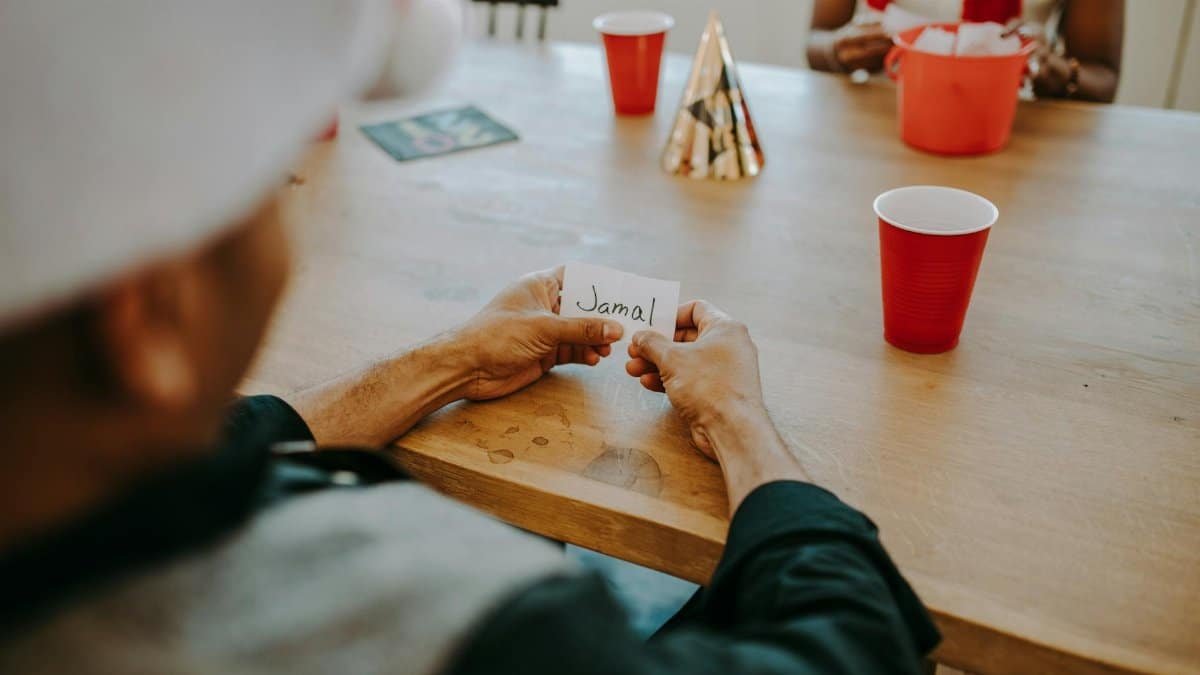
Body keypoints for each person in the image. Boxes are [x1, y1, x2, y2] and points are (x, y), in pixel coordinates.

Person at [0, 2, 939, 673]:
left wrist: (450, 356)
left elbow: (236, 432)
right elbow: (852, 645)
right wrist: (738, 417)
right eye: (276, 186)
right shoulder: (453, 625)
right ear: (149, 318)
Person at [807, 0, 1124, 103]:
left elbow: (1102, 75)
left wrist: (1060, 73)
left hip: (1018, 131)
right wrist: (839, 49)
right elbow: (816, 42)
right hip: (881, 122)